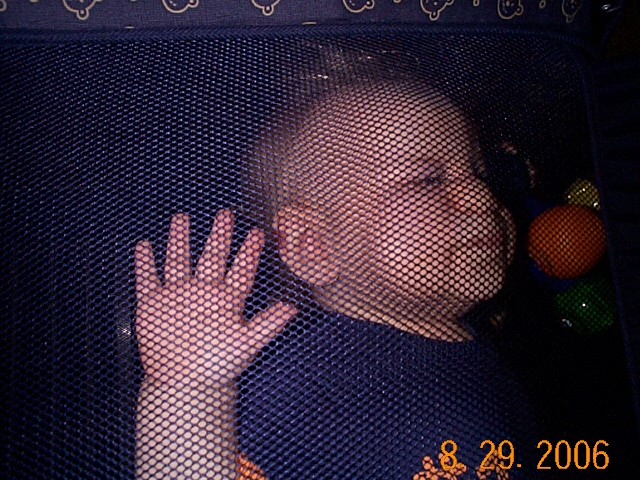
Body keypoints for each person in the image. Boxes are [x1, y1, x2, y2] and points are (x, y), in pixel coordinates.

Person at [134, 77, 535, 479]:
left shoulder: (489, 350)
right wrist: (187, 393)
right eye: (426, 180)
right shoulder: (316, 383)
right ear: (314, 245)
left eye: (480, 174)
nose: (482, 197)